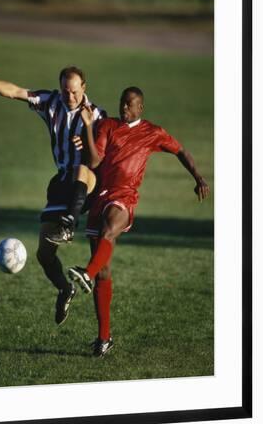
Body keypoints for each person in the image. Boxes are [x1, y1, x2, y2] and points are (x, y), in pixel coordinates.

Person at [66, 86, 209, 357]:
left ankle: (86, 273)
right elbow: (95, 160)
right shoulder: (107, 126)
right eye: (122, 102)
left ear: (140, 108)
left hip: (125, 197)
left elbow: (180, 151)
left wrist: (198, 177)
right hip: (101, 198)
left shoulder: (153, 132)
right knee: (104, 271)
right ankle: (104, 338)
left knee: (109, 231)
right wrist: (87, 126)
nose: (124, 108)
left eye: (130, 104)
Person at [0, 65, 106, 325]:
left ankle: (69, 226)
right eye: (65, 91)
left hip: (90, 182)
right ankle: (64, 289)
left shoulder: (97, 116)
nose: (69, 97)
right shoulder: (51, 102)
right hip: (63, 182)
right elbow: (15, 91)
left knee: (81, 168)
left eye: (74, 91)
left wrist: (88, 142)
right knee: (44, 255)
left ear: (84, 88)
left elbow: (104, 156)